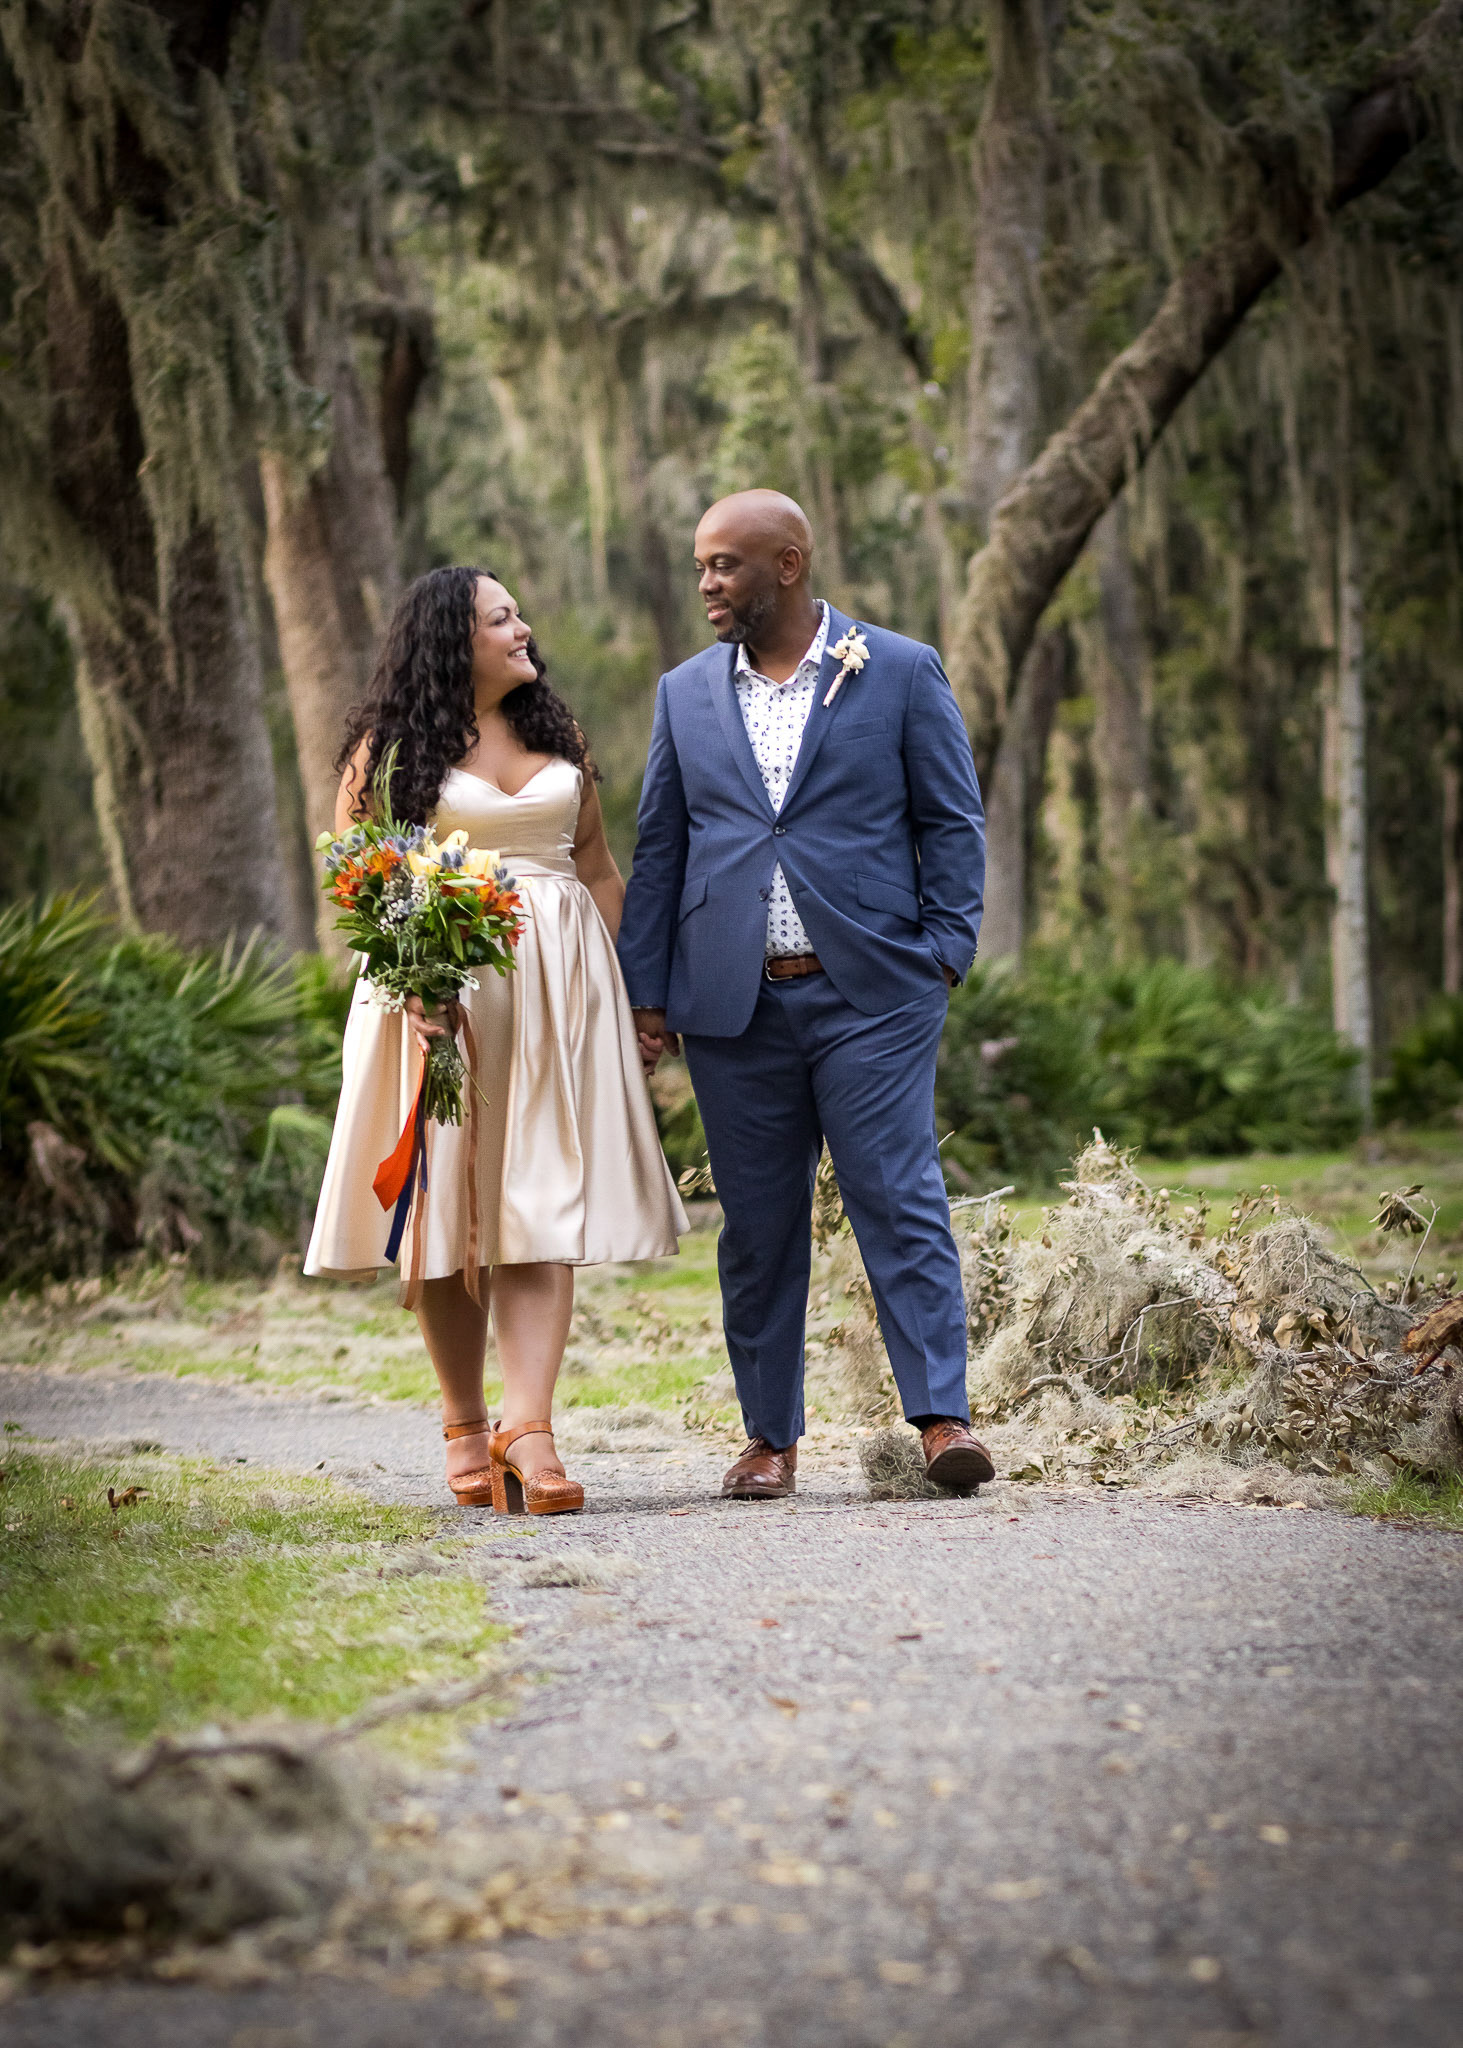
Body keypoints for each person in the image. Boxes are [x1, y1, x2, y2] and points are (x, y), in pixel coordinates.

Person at [617, 490, 994, 1499]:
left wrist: (941, 955)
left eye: (726, 564)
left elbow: (951, 822)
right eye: (700, 564)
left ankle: (940, 1419)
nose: (706, 582)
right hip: (732, 1005)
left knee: (896, 1195)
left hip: (872, 991)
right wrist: (646, 992)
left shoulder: (899, 669)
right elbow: (661, 850)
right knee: (757, 1225)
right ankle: (767, 1438)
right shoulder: (683, 694)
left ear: (787, 565)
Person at [305, 566, 687, 1514]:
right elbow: (357, 881)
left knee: (542, 1195)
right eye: (501, 616)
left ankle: (532, 1427)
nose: (523, 627)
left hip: (560, 998)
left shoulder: (561, 736)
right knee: (447, 1210)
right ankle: (465, 1426)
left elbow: (598, 869)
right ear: (451, 640)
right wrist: (414, 984)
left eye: (519, 611)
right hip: (434, 997)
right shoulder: (384, 754)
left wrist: (634, 999)